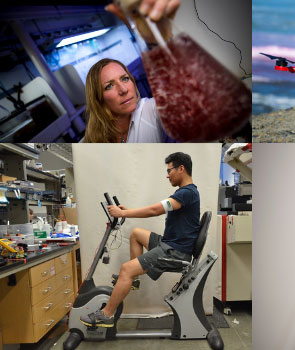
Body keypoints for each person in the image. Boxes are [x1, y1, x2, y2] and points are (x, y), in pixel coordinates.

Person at [80, 152, 201, 327]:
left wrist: (123, 213)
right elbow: (156, 209)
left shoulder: (187, 193)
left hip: (175, 252)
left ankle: (106, 314)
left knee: (126, 269)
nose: (167, 175)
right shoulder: (186, 192)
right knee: (136, 233)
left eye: (170, 170)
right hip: (170, 244)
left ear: (181, 168)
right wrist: (127, 210)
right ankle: (133, 279)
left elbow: (154, 210)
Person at [82, 0, 180, 143]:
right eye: (109, 86)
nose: (123, 90)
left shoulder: (150, 110)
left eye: (125, 79)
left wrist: (158, 42)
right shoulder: (88, 142)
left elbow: (184, 97)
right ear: (98, 99)